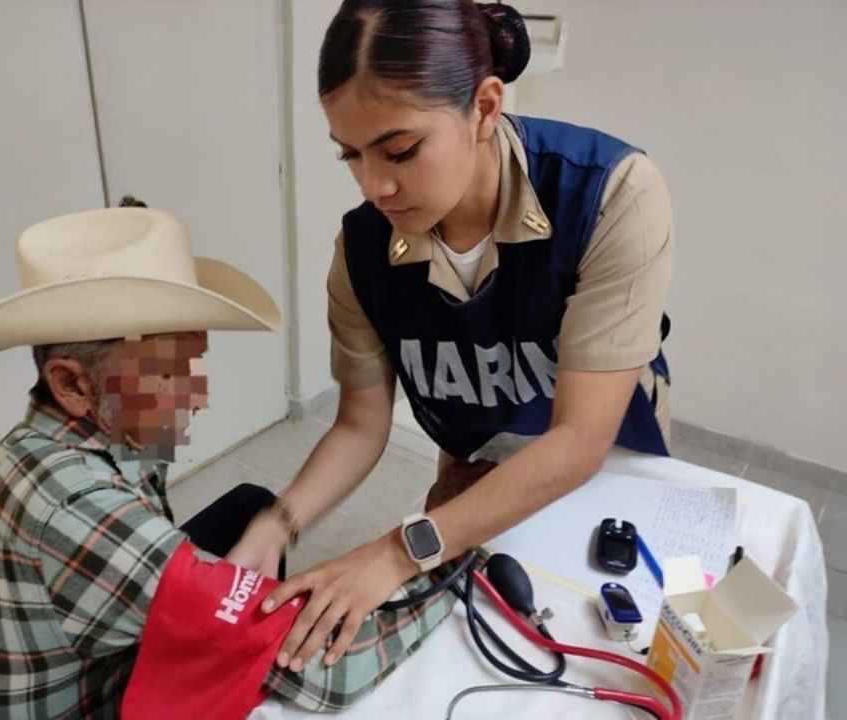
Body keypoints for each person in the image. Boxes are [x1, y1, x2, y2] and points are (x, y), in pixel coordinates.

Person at [225, 0, 675, 678]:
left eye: (401, 150)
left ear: (485, 108)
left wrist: (397, 551)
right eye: (351, 153)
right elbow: (358, 425)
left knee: (602, 650)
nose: (375, 184)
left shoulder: (607, 195)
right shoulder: (363, 253)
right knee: (473, 657)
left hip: (606, 468)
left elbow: (579, 441)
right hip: (475, 467)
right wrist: (279, 523)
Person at [0, 206, 456, 718]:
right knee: (326, 672)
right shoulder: (78, 512)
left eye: (193, 363)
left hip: (97, 653)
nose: (198, 397)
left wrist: (268, 539)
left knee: (254, 505)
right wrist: (453, 566)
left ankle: (248, 629)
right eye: (168, 374)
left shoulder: (28, 450)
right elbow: (331, 674)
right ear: (72, 383)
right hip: (103, 704)